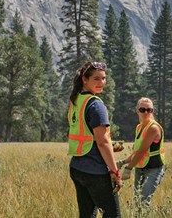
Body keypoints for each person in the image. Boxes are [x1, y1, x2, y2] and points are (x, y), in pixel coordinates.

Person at [68, 61, 123, 218]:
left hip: (77, 168)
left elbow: (88, 136)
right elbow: (102, 142)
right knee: (113, 215)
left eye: (104, 78)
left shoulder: (76, 101)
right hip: (95, 171)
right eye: (96, 79)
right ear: (85, 79)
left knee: (86, 215)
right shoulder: (95, 105)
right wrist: (114, 171)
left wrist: (110, 146)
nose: (102, 83)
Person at [116, 97, 165, 208]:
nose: (146, 112)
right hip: (141, 167)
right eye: (143, 110)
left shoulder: (153, 128)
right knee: (137, 200)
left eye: (149, 110)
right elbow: (136, 152)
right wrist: (122, 162)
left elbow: (142, 152)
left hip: (154, 169)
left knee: (143, 202)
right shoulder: (139, 127)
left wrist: (128, 168)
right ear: (137, 110)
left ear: (153, 111)